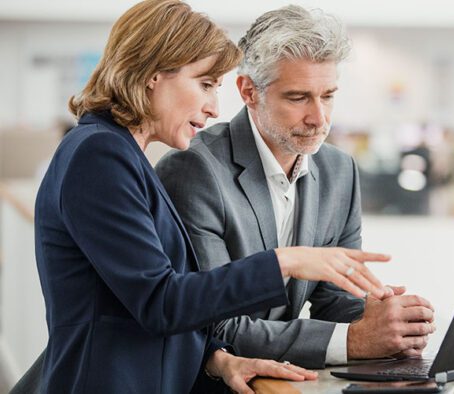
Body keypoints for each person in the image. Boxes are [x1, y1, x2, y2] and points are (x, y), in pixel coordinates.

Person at [31, 1, 391, 393]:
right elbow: (161, 303)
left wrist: (218, 359)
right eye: (205, 84)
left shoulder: (117, 152)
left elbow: (142, 303)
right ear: (154, 74)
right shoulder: (99, 154)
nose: (214, 107)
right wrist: (284, 262)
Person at [156, 4, 436, 370]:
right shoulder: (194, 169)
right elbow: (214, 324)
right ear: (249, 92)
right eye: (298, 97)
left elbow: (335, 300)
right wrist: (354, 341)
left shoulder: (339, 170)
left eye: (328, 96)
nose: (319, 118)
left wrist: (387, 320)